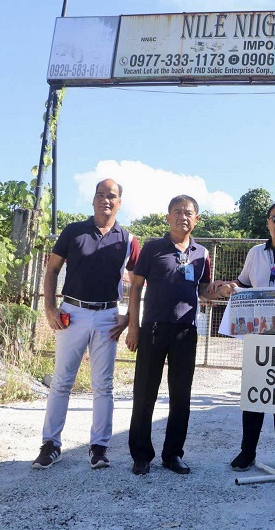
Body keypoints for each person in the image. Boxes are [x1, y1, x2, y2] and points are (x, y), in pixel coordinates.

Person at [32, 178, 140, 470]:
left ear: (120, 202)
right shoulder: (73, 231)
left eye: (112, 196)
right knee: (61, 382)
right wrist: (50, 306)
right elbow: (52, 269)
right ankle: (50, 445)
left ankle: (99, 448)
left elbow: (138, 282)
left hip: (107, 317)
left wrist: (129, 317)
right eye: (101, 194)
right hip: (73, 313)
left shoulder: (128, 239)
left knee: (103, 385)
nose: (106, 200)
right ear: (93, 199)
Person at [208, 200, 275, 474]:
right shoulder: (255, 253)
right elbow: (243, 284)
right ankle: (247, 452)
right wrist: (229, 288)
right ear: (268, 223)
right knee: (254, 396)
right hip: (256, 336)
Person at [125, 195, 211, 476]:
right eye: (177, 212)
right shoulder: (152, 249)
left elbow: (203, 290)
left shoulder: (202, 253)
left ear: (196, 219)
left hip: (186, 330)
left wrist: (220, 290)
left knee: (181, 396)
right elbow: (136, 287)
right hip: (152, 329)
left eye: (188, 213)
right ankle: (141, 455)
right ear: (167, 217)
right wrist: (133, 326)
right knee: (145, 393)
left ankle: (173, 454)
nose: (182, 217)